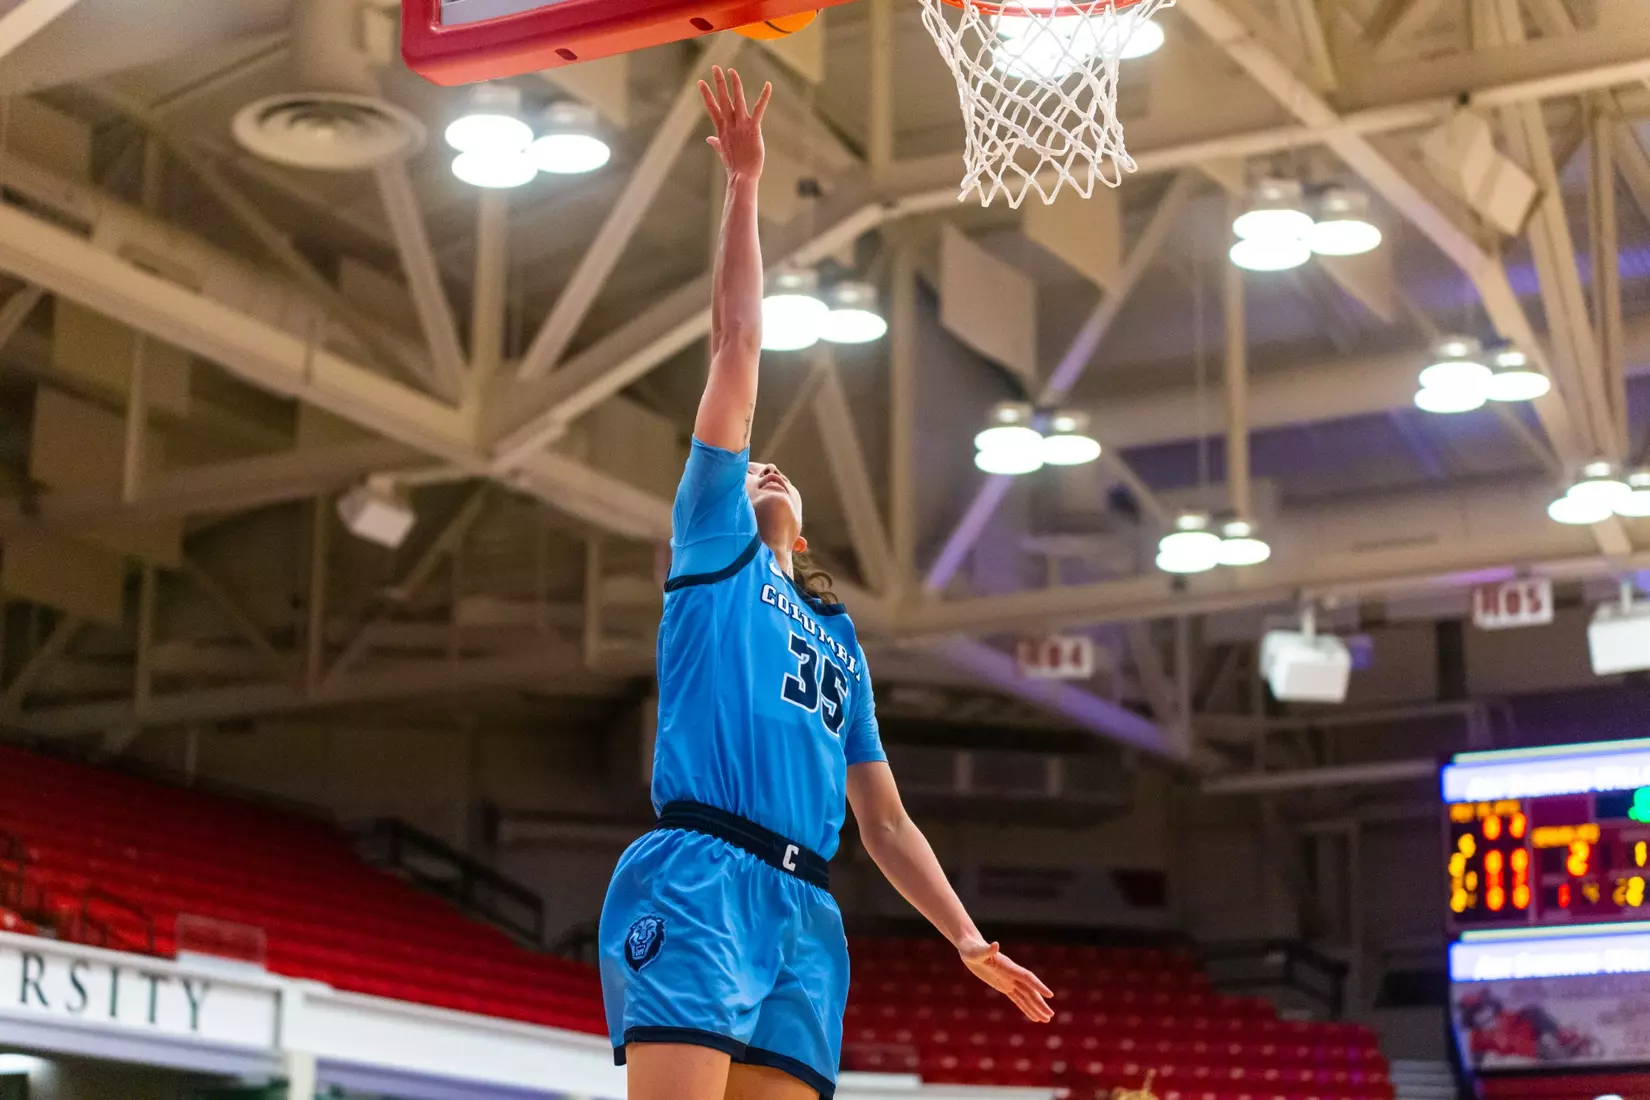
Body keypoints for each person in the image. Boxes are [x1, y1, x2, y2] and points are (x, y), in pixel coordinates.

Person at [598, 66, 1054, 1100]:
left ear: (805, 530)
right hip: (703, 871)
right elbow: (738, 341)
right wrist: (747, 187)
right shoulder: (713, 547)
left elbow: (887, 824)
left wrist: (968, 937)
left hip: (807, 910)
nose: (759, 468)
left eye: (776, 475)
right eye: (752, 464)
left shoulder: (839, 644)